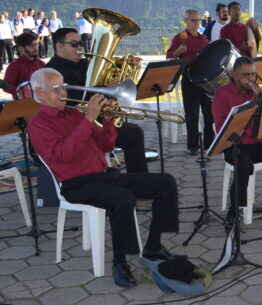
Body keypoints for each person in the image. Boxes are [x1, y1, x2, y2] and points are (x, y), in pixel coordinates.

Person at [28, 67, 180, 288]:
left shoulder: (74, 114)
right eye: (56, 88)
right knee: (122, 199)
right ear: (40, 93)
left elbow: (106, 145)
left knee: (166, 182)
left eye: (64, 86)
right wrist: (88, 119)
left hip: (104, 176)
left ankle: (154, 246)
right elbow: (63, 155)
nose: (63, 92)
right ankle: (120, 262)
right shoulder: (38, 124)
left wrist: (108, 120)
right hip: (76, 184)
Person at [46, 28, 148, 174]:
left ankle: (140, 181)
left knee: (133, 131)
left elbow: (96, 83)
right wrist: (104, 88)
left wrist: (125, 67)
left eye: (81, 43)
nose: (80, 47)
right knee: (132, 134)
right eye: (74, 44)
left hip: (94, 120)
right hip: (74, 127)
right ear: (59, 46)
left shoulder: (83, 64)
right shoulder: (52, 71)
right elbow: (73, 98)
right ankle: (139, 182)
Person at [212, 57, 262, 220]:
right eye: (245, 75)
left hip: (257, 143)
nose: (250, 79)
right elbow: (221, 128)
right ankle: (235, 209)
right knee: (244, 166)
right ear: (234, 74)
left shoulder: (256, 92)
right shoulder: (222, 94)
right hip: (234, 145)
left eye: (253, 75)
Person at [166, 9, 214, 156]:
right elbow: (168, 57)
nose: (197, 23)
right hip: (189, 80)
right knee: (191, 115)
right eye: (193, 20)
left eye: (198, 20)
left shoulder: (204, 39)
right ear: (186, 21)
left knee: (209, 114)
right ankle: (193, 146)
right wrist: (177, 52)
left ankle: (209, 144)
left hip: (205, 80)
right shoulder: (181, 37)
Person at [2, 32, 43, 97]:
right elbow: (6, 87)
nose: (36, 48)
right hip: (24, 104)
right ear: (21, 48)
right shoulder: (14, 66)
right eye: (32, 46)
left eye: (36, 45)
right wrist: (20, 92)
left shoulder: (41, 63)